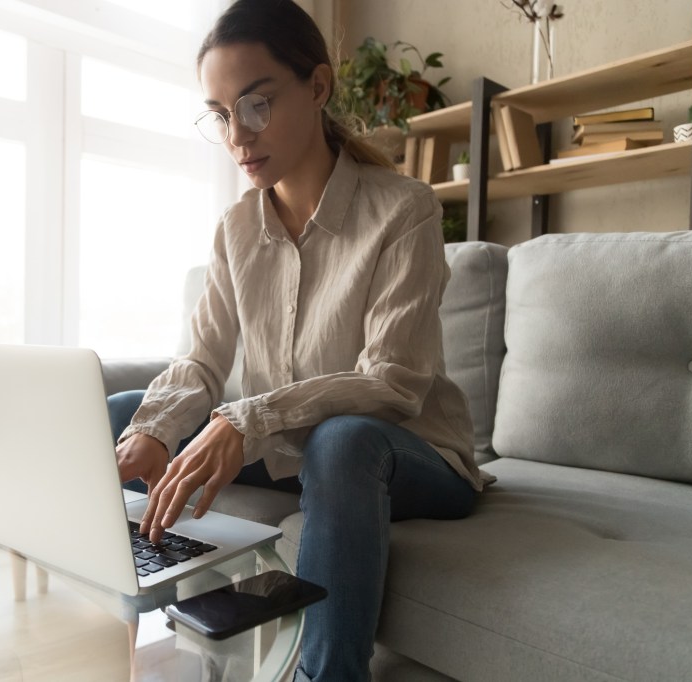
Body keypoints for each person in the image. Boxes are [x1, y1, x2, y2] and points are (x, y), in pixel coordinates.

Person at [110, 1, 488, 679]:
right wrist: (155, 429)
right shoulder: (234, 230)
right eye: (221, 115)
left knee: (341, 439)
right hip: (295, 451)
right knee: (122, 414)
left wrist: (246, 417)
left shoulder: (404, 209)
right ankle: (115, 628)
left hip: (411, 456)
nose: (237, 136)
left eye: (256, 104)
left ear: (317, 86)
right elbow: (201, 359)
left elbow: (393, 383)